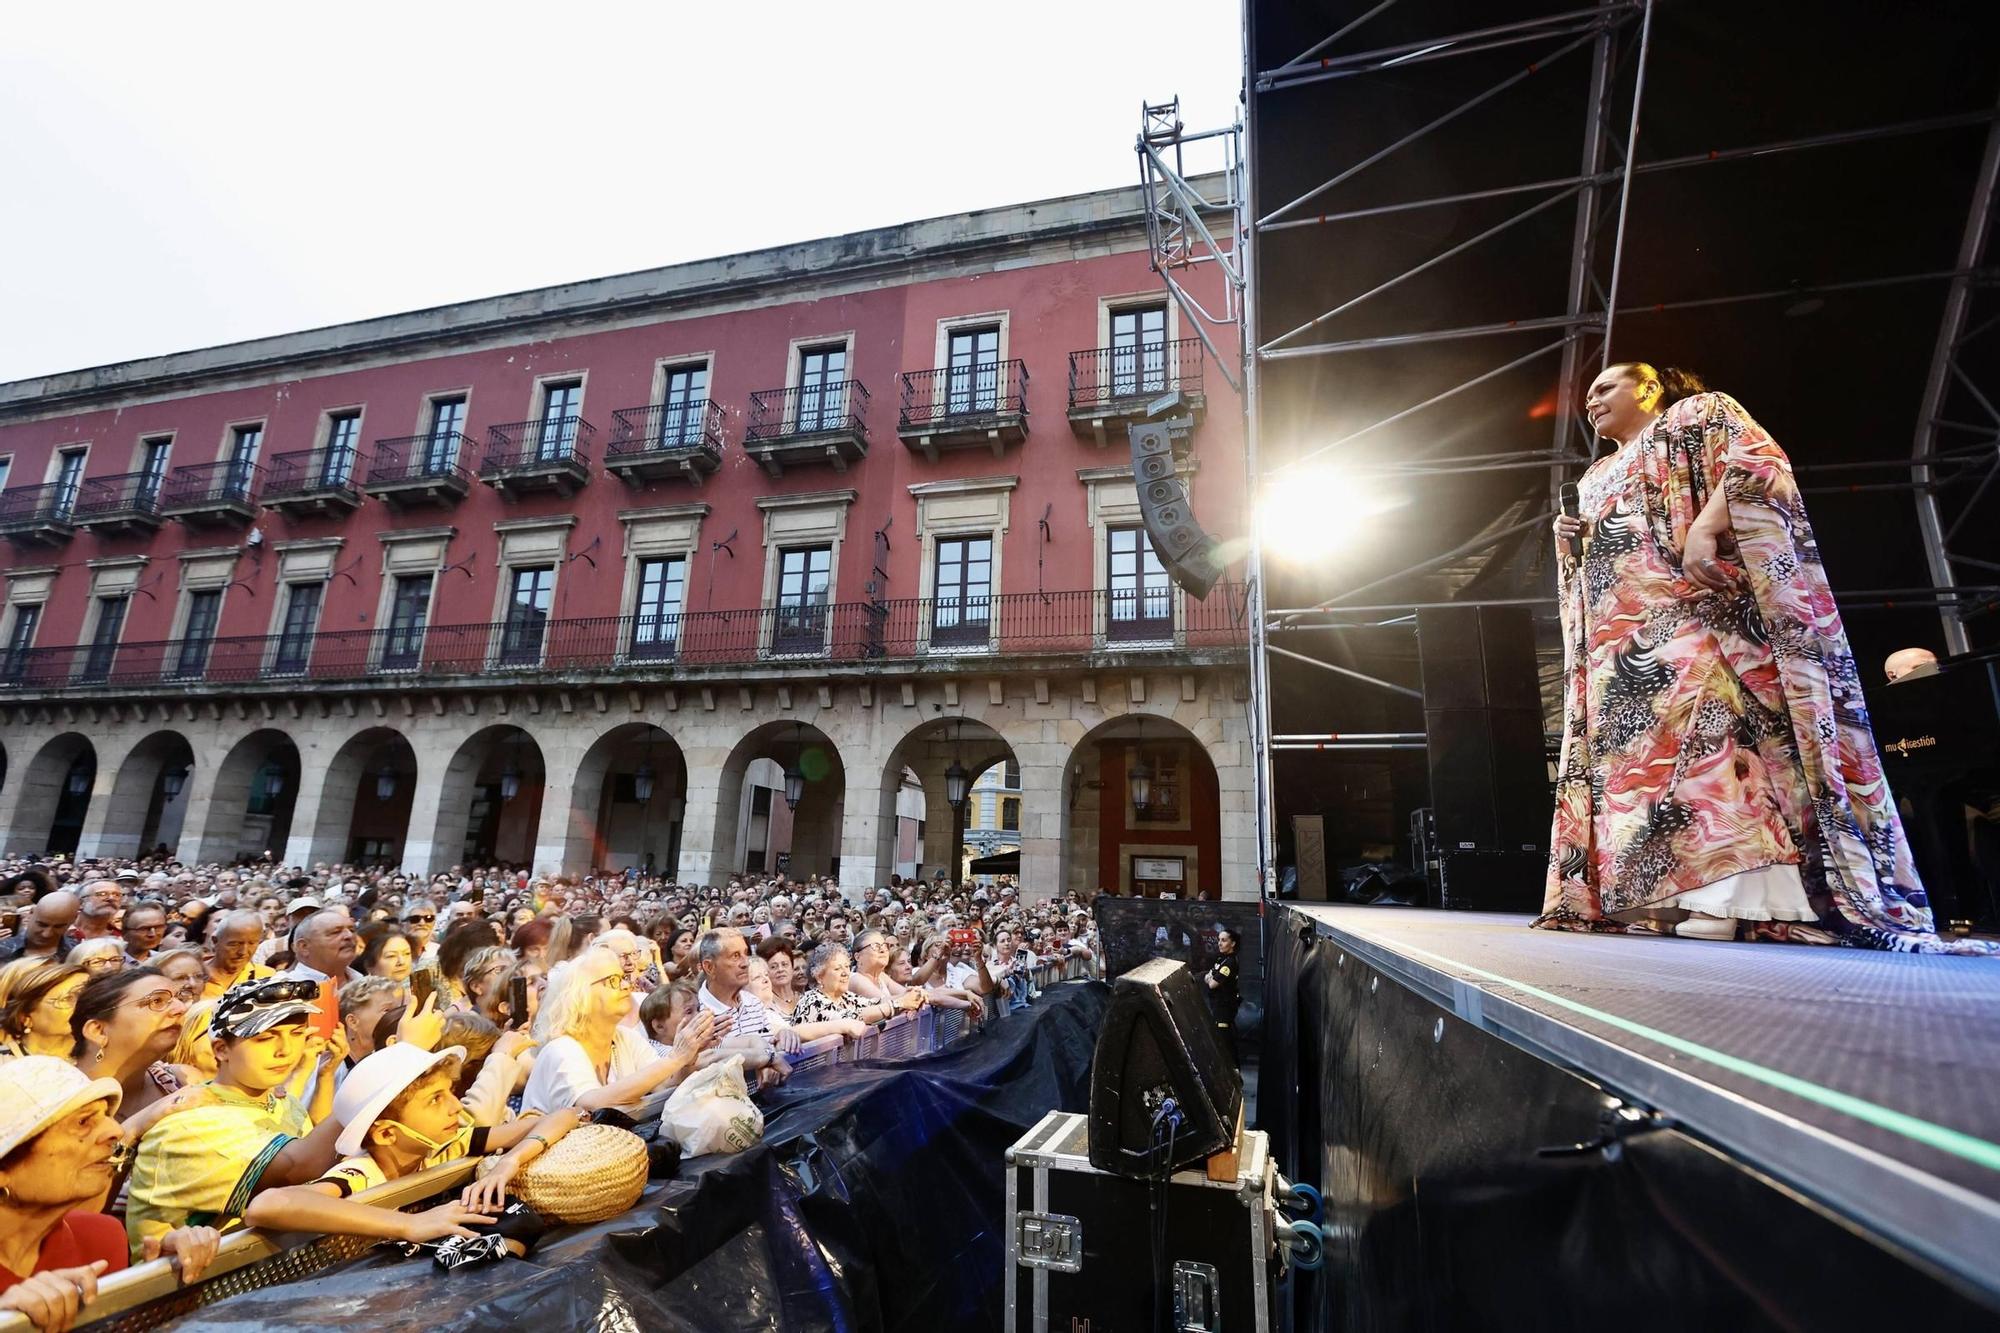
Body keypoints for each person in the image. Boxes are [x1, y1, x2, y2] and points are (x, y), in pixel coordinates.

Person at [1541, 363, 1989, 952]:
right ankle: (1667, 898)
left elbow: (1758, 461)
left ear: (1647, 387)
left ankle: (1739, 899)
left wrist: (1705, 527)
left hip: (1694, 619)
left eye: (1606, 388)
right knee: (1638, 775)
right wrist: (1571, 539)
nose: (1591, 401)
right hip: (1619, 647)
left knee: (1714, 748)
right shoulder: (1595, 474)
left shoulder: (1694, 415)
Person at [244, 1044, 587, 1242]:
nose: (456, 1106)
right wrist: (409, 1224)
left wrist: (510, 1161)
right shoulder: (361, 1174)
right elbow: (268, 1205)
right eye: (435, 1099)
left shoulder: (448, 1144)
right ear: (386, 1133)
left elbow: (566, 1115)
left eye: (449, 1093)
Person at [123, 978, 350, 1258]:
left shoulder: (285, 1102)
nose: (285, 1050)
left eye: (296, 1033)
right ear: (221, 1049)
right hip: (187, 1292)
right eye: (265, 1038)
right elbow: (299, 1166)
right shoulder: (192, 1122)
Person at [0, 1059, 219, 1330]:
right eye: (83, 1123)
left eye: (105, 1116)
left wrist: (163, 1286)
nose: (116, 1130)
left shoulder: (102, 1238)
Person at [520, 947, 715, 1116]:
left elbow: (666, 1083)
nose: (626, 986)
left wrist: (689, 1057)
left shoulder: (625, 1037)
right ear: (580, 995)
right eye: (613, 981)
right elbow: (592, 1105)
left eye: (623, 978)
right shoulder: (561, 1048)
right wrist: (676, 1058)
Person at [69, 968, 193, 1123]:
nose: (181, 1008)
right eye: (156, 1001)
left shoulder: (183, 1081)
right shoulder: (55, 1100)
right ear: (98, 1031)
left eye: (178, 998)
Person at [794, 944, 925, 1029]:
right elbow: (853, 1017)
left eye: (847, 967)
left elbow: (876, 1003)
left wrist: (910, 995)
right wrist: (899, 1004)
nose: (846, 973)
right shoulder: (811, 1001)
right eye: (837, 969)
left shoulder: (845, 997)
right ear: (819, 976)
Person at [0, 964, 89, 1062]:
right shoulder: (4, 1063)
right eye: (67, 999)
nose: (82, 1005)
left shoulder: (100, 1057)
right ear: (25, 1018)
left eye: (86, 995)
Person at [197, 912, 271, 1002]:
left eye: (252, 943)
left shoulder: (266, 977)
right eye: (234, 944)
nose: (243, 952)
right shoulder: (192, 977)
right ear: (215, 941)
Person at [0, 896, 80, 968]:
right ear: (31, 914)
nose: (46, 934)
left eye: (58, 927)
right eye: (42, 925)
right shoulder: (4, 943)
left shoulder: (76, 953)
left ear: (73, 919)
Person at [1203, 928, 1240, 1062]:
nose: (1219, 943)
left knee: (1225, 1042)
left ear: (1233, 943)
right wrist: (1209, 977)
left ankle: (1233, 1071)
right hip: (1217, 1006)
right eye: (1219, 940)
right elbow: (1207, 976)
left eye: (1223, 940)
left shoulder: (1229, 963)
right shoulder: (1221, 959)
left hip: (1224, 1008)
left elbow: (1212, 983)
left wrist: (1210, 978)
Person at [120, 901, 169, 968]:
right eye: (144, 929)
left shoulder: (164, 961)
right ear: (125, 932)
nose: (152, 934)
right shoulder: (111, 962)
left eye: (158, 928)